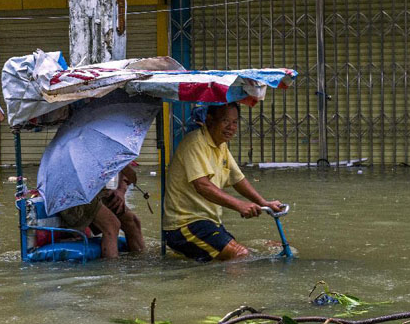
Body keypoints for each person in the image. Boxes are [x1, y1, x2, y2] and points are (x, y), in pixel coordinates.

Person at [163, 103, 282, 262]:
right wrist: (239, 205)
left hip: (208, 223)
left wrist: (264, 203)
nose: (231, 127)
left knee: (263, 248)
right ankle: (228, 288)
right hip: (185, 225)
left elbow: (237, 178)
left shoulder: (221, 146)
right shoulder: (195, 143)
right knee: (239, 255)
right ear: (210, 120)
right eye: (225, 121)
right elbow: (203, 186)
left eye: (235, 122)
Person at [59, 165, 145, 258]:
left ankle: (140, 263)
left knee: (133, 221)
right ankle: (111, 269)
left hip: (97, 190)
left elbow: (130, 174)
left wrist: (121, 190)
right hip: (72, 193)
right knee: (112, 225)